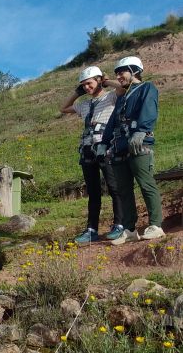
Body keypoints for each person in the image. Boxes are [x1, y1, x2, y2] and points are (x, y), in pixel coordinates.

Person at [99, 56, 164, 244]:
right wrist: (104, 141)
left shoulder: (147, 88)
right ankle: (129, 230)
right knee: (123, 190)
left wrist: (142, 130)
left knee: (146, 183)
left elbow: (150, 110)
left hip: (139, 143)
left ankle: (156, 225)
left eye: (122, 72)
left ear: (134, 71)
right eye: (116, 73)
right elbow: (113, 120)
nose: (118, 76)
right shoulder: (123, 95)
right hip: (119, 145)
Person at [59, 66, 124, 243]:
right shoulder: (84, 105)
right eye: (83, 85)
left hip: (107, 148)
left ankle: (120, 224)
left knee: (113, 186)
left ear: (98, 80)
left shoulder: (110, 96)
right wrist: (76, 92)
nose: (87, 87)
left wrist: (106, 81)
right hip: (87, 151)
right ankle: (91, 230)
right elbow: (63, 108)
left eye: (89, 83)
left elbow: (122, 87)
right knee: (93, 192)